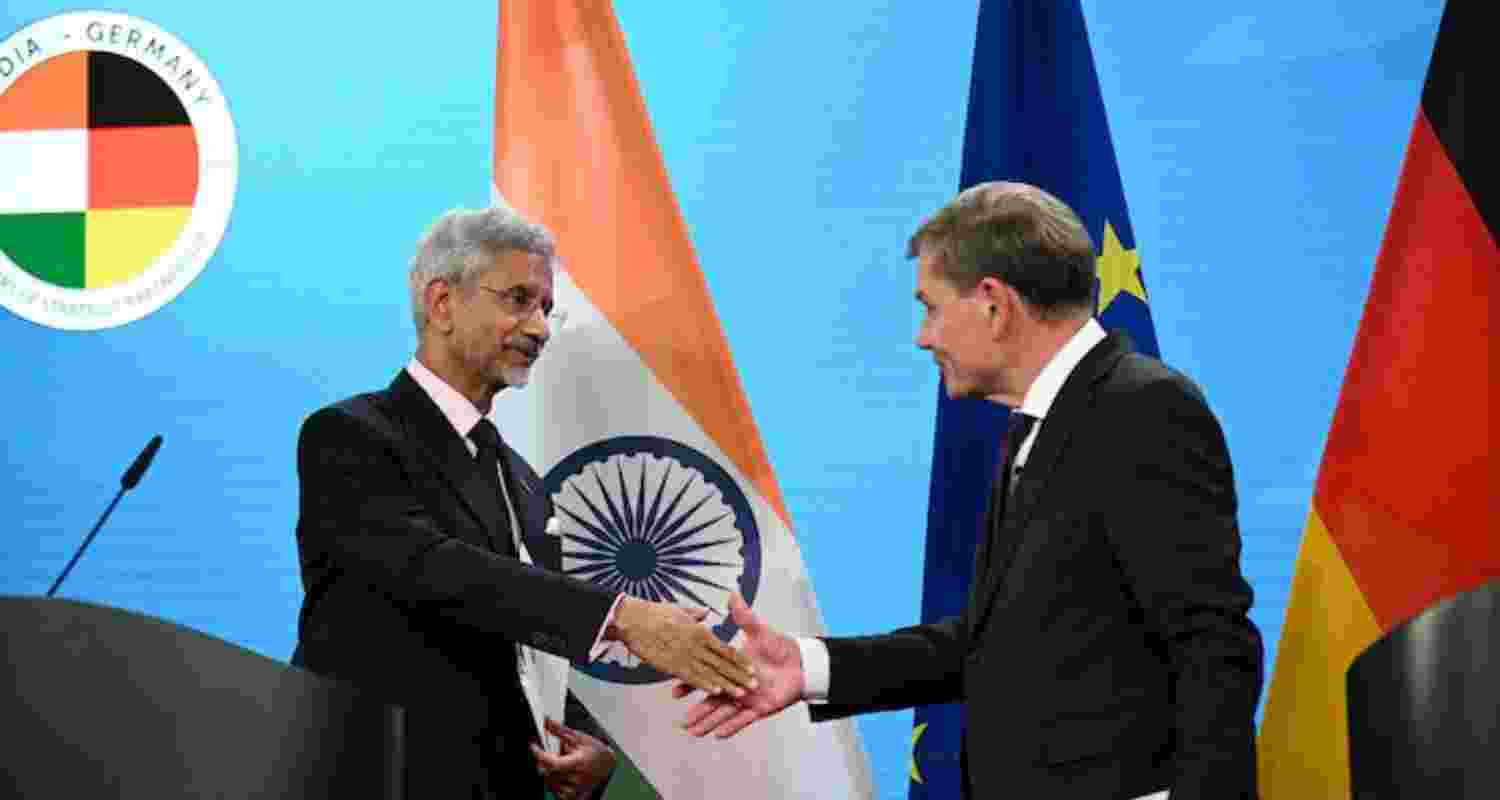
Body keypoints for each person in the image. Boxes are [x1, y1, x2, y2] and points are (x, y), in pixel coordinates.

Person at [679, 182, 1263, 799]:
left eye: (929, 307)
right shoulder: (1039, 428)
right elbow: (992, 645)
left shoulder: (1140, 409)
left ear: (993, 303)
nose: (922, 337)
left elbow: (1211, 639)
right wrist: (811, 667)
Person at [291, 207, 755, 800]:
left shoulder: (524, 482)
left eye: (545, 308)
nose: (540, 328)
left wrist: (585, 743)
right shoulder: (350, 436)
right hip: (382, 776)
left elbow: (526, 648)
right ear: (441, 304)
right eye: (518, 300)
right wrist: (623, 617)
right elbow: (433, 569)